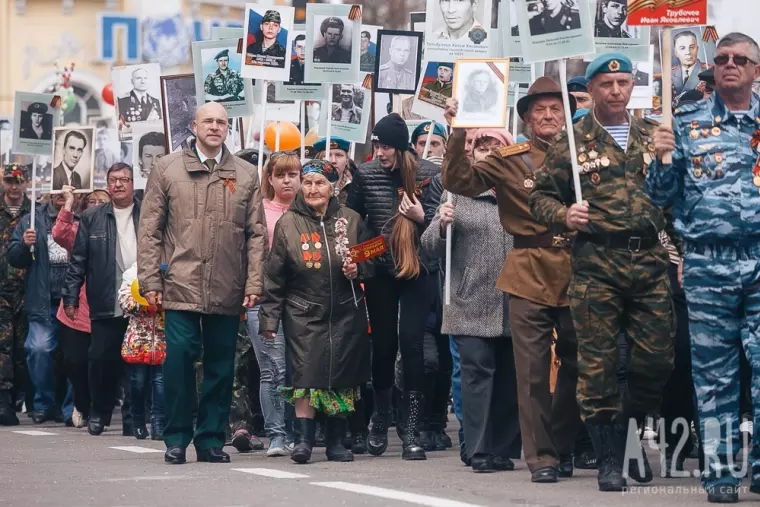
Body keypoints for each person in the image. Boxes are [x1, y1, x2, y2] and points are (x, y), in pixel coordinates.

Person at [529, 53, 675, 492]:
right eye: (606, 84)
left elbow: (677, 199)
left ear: (633, 87)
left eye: (624, 82)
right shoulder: (573, 140)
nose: (616, 91)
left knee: (656, 363)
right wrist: (564, 214)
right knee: (598, 365)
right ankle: (611, 456)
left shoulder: (655, 135)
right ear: (590, 90)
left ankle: (631, 437)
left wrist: (687, 255)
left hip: (650, 261)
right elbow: (540, 197)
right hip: (597, 262)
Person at [442, 77, 581, 483]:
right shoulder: (510, 157)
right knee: (533, 371)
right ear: (525, 118)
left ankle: (560, 441)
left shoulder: (585, 156)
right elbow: (460, 182)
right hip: (528, 268)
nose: (549, 116)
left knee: (578, 363)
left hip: (579, 268)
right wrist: (457, 132)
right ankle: (542, 458)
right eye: (539, 110)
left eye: (556, 108)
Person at [647, 32, 760, 504]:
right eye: (722, 60)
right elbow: (658, 197)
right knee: (713, 375)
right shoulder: (686, 122)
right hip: (708, 263)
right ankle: (719, 475)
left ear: (756, 69)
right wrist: (661, 157)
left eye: (740, 59)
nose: (729, 65)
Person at [137, 102, 267, 465]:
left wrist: (254, 280)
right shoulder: (167, 168)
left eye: (221, 122)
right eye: (208, 120)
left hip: (228, 283)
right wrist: (150, 278)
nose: (215, 127)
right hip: (179, 283)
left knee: (222, 367)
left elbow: (257, 234)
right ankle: (176, 438)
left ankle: (210, 439)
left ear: (229, 128)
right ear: (193, 125)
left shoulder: (245, 173)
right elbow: (149, 229)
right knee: (178, 362)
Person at [423, 127, 524, 474]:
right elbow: (428, 247)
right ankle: (478, 449)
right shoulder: (457, 193)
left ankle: (503, 448)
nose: (488, 151)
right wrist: (440, 225)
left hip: (515, 301)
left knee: (510, 378)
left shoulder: (520, 193)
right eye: (482, 145)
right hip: (470, 301)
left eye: (496, 145)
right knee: (477, 375)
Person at [259, 159, 373, 464]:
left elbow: (372, 261)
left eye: (319, 183)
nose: (312, 189)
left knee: (341, 377)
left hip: (347, 313)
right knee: (305, 377)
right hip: (303, 313)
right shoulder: (288, 223)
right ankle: (304, 440)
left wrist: (357, 268)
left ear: (332, 187)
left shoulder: (351, 219)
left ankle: (337, 441)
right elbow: (274, 277)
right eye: (307, 182)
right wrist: (269, 319)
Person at [347, 113, 442, 461]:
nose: (380, 152)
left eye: (385, 146)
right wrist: (356, 256)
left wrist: (423, 218)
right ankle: (381, 415)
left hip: (420, 268)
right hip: (381, 270)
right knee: (384, 346)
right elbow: (352, 220)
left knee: (413, 344)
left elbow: (441, 225)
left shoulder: (430, 174)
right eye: (376, 145)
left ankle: (412, 428)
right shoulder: (366, 172)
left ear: (401, 149)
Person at [63, 163, 139, 436]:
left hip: (142, 303)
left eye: (124, 179)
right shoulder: (91, 217)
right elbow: (78, 262)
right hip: (105, 299)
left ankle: (133, 419)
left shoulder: (148, 214)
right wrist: (70, 298)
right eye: (113, 180)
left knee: (137, 361)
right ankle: (99, 412)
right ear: (108, 184)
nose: (118, 184)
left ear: (133, 183)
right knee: (99, 359)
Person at [245, 150, 301, 457]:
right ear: (270, 178)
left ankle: (296, 432)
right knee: (272, 369)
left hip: (302, 302)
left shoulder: (309, 211)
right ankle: (276, 435)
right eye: (280, 174)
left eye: (293, 174)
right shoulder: (259, 211)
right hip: (264, 301)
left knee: (297, 370)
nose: (287, 180)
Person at [8, 191, 74, 425]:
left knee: (77, 355)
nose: (60, 194)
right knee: (37, 349)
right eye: (57, 189)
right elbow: (13, 257)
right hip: (43, 302)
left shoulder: (83, 218)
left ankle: (72, 409)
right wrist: (25, 246)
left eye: (65, 190)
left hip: (74, 302)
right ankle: (44, 403)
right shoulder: (32, 219)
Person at [53, 187, 110, 429]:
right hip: (76, 307)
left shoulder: (120, 230)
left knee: (102, 363)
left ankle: (100, 410)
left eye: (102, 201)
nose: (96, 204)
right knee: (74, 362)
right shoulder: (80, 229)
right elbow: (59, 233)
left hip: (107, 306)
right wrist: (69, 203)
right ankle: (82, 403)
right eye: (92, 201)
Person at [118, 262, 166, 441]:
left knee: (160, 384)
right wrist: (143, 304)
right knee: (137, 385)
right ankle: (137, 421)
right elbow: (123, 301)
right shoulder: (132, 273)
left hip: (162, 341)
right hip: (139, 342)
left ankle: (158, 423)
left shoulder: (170, 272)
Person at [0, 164, 31, 426]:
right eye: (9, 180)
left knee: (23, 348)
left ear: (26, 183)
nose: (13, 186)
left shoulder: (34, 213)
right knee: (2, 346)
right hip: (0, 289)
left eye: (18, 181)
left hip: (26, 289)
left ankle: (26, 396)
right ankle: (4, 401)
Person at [313, 137, 356, 204]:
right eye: (327, 155)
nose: (333, 161)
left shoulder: (355, 187)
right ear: (319, 160)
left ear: (347, 160)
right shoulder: (310, 187)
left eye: (339, 155)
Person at [673, 30, 709, 96]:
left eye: (692, 47)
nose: (688, 52)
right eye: (682, 48)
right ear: (676, 52)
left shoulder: (710, 71)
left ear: (697, 49)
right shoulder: (669, 74)